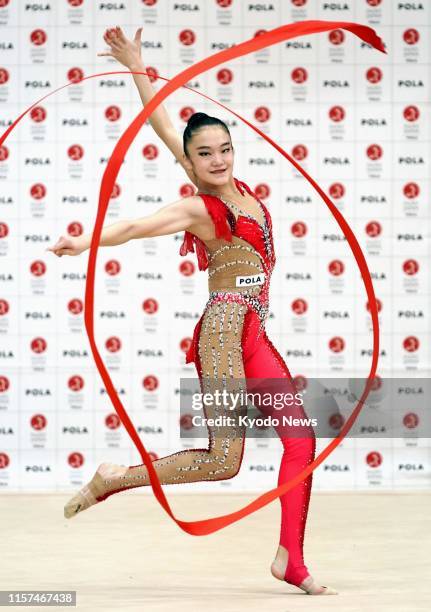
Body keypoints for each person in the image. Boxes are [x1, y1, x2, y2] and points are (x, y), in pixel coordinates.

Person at [47, 26, 337, 596]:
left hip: (256, 332)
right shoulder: (201, 209)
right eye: (204, 154)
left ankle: (290, 559)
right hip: (225, 333)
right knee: (224, 461)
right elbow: (133, 227)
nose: (217, 160)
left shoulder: (241, 192)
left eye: (224, 149)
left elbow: (163, 121)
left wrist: (137, 65)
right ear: (193, 163)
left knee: (301, 440)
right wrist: (86, 242)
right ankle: (115, 480)